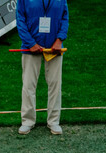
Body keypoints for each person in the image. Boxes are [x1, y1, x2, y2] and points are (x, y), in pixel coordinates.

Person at [16, 0, 69, 135]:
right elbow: (20, 20)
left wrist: (59, 40)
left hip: (54, 49)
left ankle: (54, 122)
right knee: (28, 85)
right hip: (31, 48)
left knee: (55, 85)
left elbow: (64, 18)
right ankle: (27, 121)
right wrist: (30, 43)